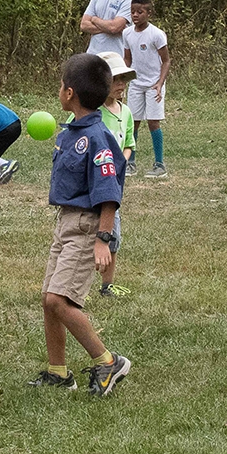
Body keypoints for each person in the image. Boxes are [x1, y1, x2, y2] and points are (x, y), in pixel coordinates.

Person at [28, 53, 132, 396]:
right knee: (48, 298)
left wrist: (103, 237)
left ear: (69, 93)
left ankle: (107, 361)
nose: (59, 89)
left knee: (61, 300)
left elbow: (109, 192)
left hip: (88, 226)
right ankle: (58, 372)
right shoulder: (73, 131)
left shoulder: (98, 138)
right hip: (67, 223)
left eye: (61, 84)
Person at [95, 52, 135, 297]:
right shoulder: (91, 112)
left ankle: (106, 285)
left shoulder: (126, 112)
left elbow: (129, 143)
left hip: (114, 183)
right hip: (93, 183)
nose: (121, 84)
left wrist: (121, 161)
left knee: (112, 233)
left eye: (124, 79)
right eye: (115, 79)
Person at [122, 0, 169, 178]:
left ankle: (159, 164)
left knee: (153, 122)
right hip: (135, 83)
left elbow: (166, 61)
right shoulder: (127, 33)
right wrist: (123, 81)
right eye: (133, 11)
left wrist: (159, 83)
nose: (135, 15)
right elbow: (127, 59)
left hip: (153, 84)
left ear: (148, 13)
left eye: (140, 12)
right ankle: (130, 163)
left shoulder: (156, 34)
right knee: (132, 122)